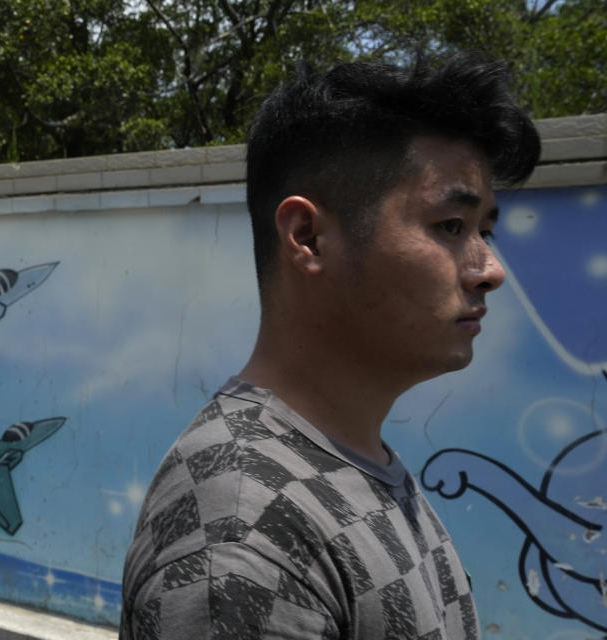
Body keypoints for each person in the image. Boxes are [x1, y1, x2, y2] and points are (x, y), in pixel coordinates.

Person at [120, 52, 540, 639]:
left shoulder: (351, 461)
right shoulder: (243, 530)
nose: (489, 269)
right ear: (309, 238)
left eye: (484, 231)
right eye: (451, 227)